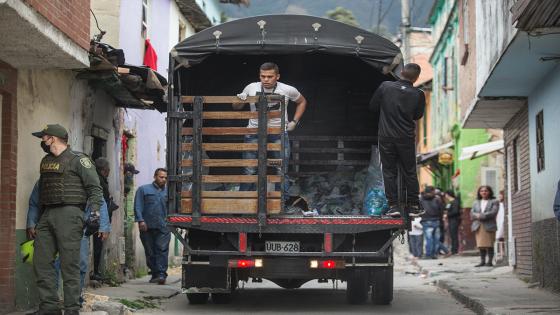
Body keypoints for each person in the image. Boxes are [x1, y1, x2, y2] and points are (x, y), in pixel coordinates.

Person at [31, 124, 104, 315]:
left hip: (70, 214)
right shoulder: (45, 161)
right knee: (42, 262)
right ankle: (49, 307)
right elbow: (41, 192)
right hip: (47, 214)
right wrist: (36, 219)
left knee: (69, 264)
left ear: (52, 139)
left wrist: (95, 213)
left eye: (43, 137)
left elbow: (95, 189)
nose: (42, 141)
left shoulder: (78, 160)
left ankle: (72, 308)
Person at [26, 181, 110, 302]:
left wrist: (104, 225)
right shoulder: (47, 177)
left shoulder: (82, 175)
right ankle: (52, 301)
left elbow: (99, 199)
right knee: (51, 264)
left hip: (79, 227)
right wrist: (31, 223)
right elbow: (34, 202)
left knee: (80, 263)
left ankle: (74, 300)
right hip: (51, 228)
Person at [234, 62, 307, 200]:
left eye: (270, 76)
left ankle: (281, 205)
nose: (266, 79)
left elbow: (302, 101)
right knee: (249, 169)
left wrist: (294, 122)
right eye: (263, 76)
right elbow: (236, 107)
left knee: (281, 170)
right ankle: (244, 204)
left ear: (277, 76)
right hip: (254, 132)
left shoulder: (287, 89)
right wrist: (239, 99)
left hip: (278, 132)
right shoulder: (251, 87)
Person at [369, 63, 426, 218]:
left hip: (386, 136)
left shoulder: (385, 86)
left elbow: (373, 106)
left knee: (389, 171)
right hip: (406, 138)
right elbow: (417, 116)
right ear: (416, 78)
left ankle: (393, 206)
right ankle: (414, 205)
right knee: (410, 171)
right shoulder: (419, 94)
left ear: (401, 72)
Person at [134, 168, 170, 285]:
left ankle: (161, 274)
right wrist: (140, 220)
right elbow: (138, 206)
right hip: (147, 226)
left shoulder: (169, 192)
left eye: (165, 177)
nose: (163, 179)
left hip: (163, 226)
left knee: (162, 249)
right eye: (161, 177)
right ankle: (155, 273)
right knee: (150, 252)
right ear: (155, 176)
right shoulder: (143, 190)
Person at [91, 157, 118, 281]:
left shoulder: (98, 179)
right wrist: (101, 223)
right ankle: (95, 271)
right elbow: (100, 202)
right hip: (97, 219)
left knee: (97, 245)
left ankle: (95, 271)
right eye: (108, 170)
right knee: (97, 245)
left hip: (97, 219)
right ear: (104, 170)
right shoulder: (98, 181)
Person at [471, 186, 499, 267]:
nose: (484, 192)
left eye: (486, 191)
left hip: (489, 225)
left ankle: (490, 261)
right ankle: (482, 261)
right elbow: (472, 213)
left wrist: (482, 216)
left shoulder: (494, 201)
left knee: (490, 244)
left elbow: (494, 212)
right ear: (479, 193)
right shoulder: (476, 202)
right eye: (482, 191)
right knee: (480, 244)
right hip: (478, 225)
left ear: (489, 192)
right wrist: (477, 215)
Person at [420, 186, 444, 259]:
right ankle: (434, 254)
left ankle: (428, 254)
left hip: (425, 220)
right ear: (432, 191)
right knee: (436, 239)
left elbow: (419, 209)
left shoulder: (421, 199)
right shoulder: (437, 199)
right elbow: (441, 210)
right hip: (436, 220)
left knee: (428, 238)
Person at [444, 190, 461, 255]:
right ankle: (453, 249)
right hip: (450, 220)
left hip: (454, 220)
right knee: (452, 235)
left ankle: (455, 250)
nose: (445, 196)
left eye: (446, 194)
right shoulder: (450, 202)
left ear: (448, 194)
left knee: (454, 235)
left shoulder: (455, 202)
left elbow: (455, 211)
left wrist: (447, 215)